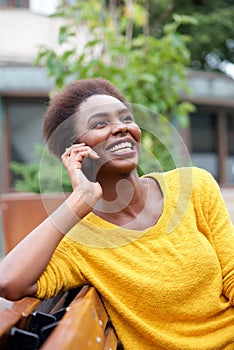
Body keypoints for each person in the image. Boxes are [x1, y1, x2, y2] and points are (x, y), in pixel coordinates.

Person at [0, 78, 234, 350]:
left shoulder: (194, 186)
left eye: (126, 118)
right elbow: (8, 281)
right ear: (75, 149)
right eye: (100, 124)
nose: (122, 127)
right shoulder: (81, 242)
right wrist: (80, 201)